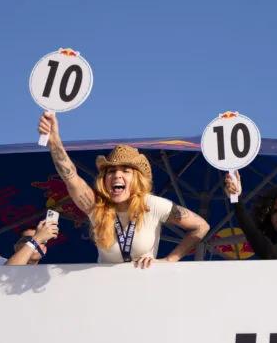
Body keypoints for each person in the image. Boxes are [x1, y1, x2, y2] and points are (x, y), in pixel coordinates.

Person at [38, 111, 210, 267]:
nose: (117, 175)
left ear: (137, 179)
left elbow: (201, 227)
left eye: (126, 171)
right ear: (104, 179)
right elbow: (71, 178)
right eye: (111, 171)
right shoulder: (96, 206)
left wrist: (169, 260)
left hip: (145, 289)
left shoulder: (154, 204)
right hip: (105, 290)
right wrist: (54, 140)